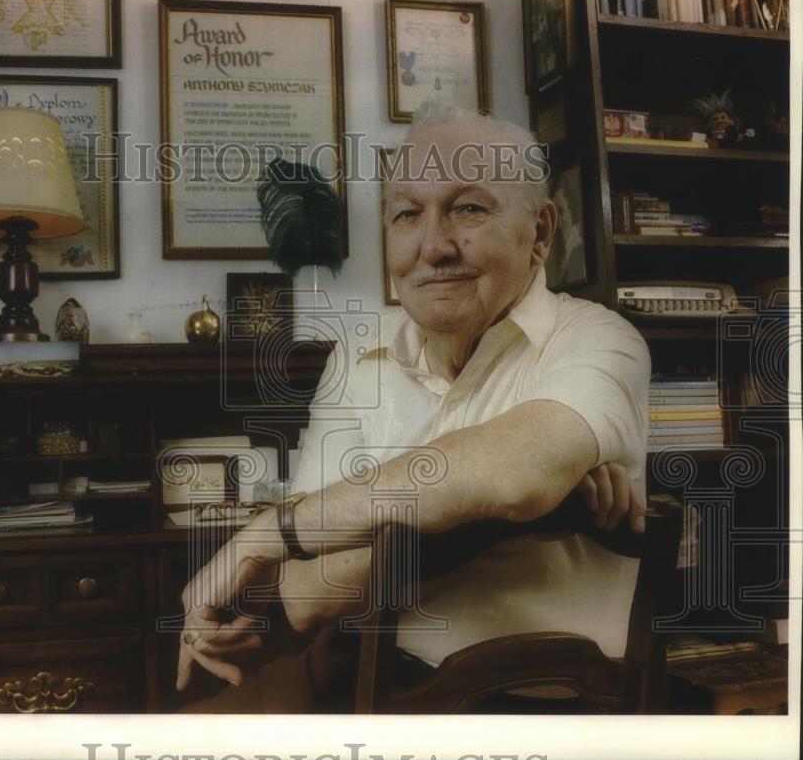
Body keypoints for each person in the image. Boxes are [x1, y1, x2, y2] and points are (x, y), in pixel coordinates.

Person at [175, 103, 651, 713]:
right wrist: (513, 514)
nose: (434, 247)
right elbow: (305, 593)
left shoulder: (600, 339)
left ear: (540, 231)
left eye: (469, 208)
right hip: (367, 681)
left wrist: (274, 532)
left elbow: (512, 474)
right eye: (407, 214)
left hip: (537, 709)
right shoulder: (356, 353)